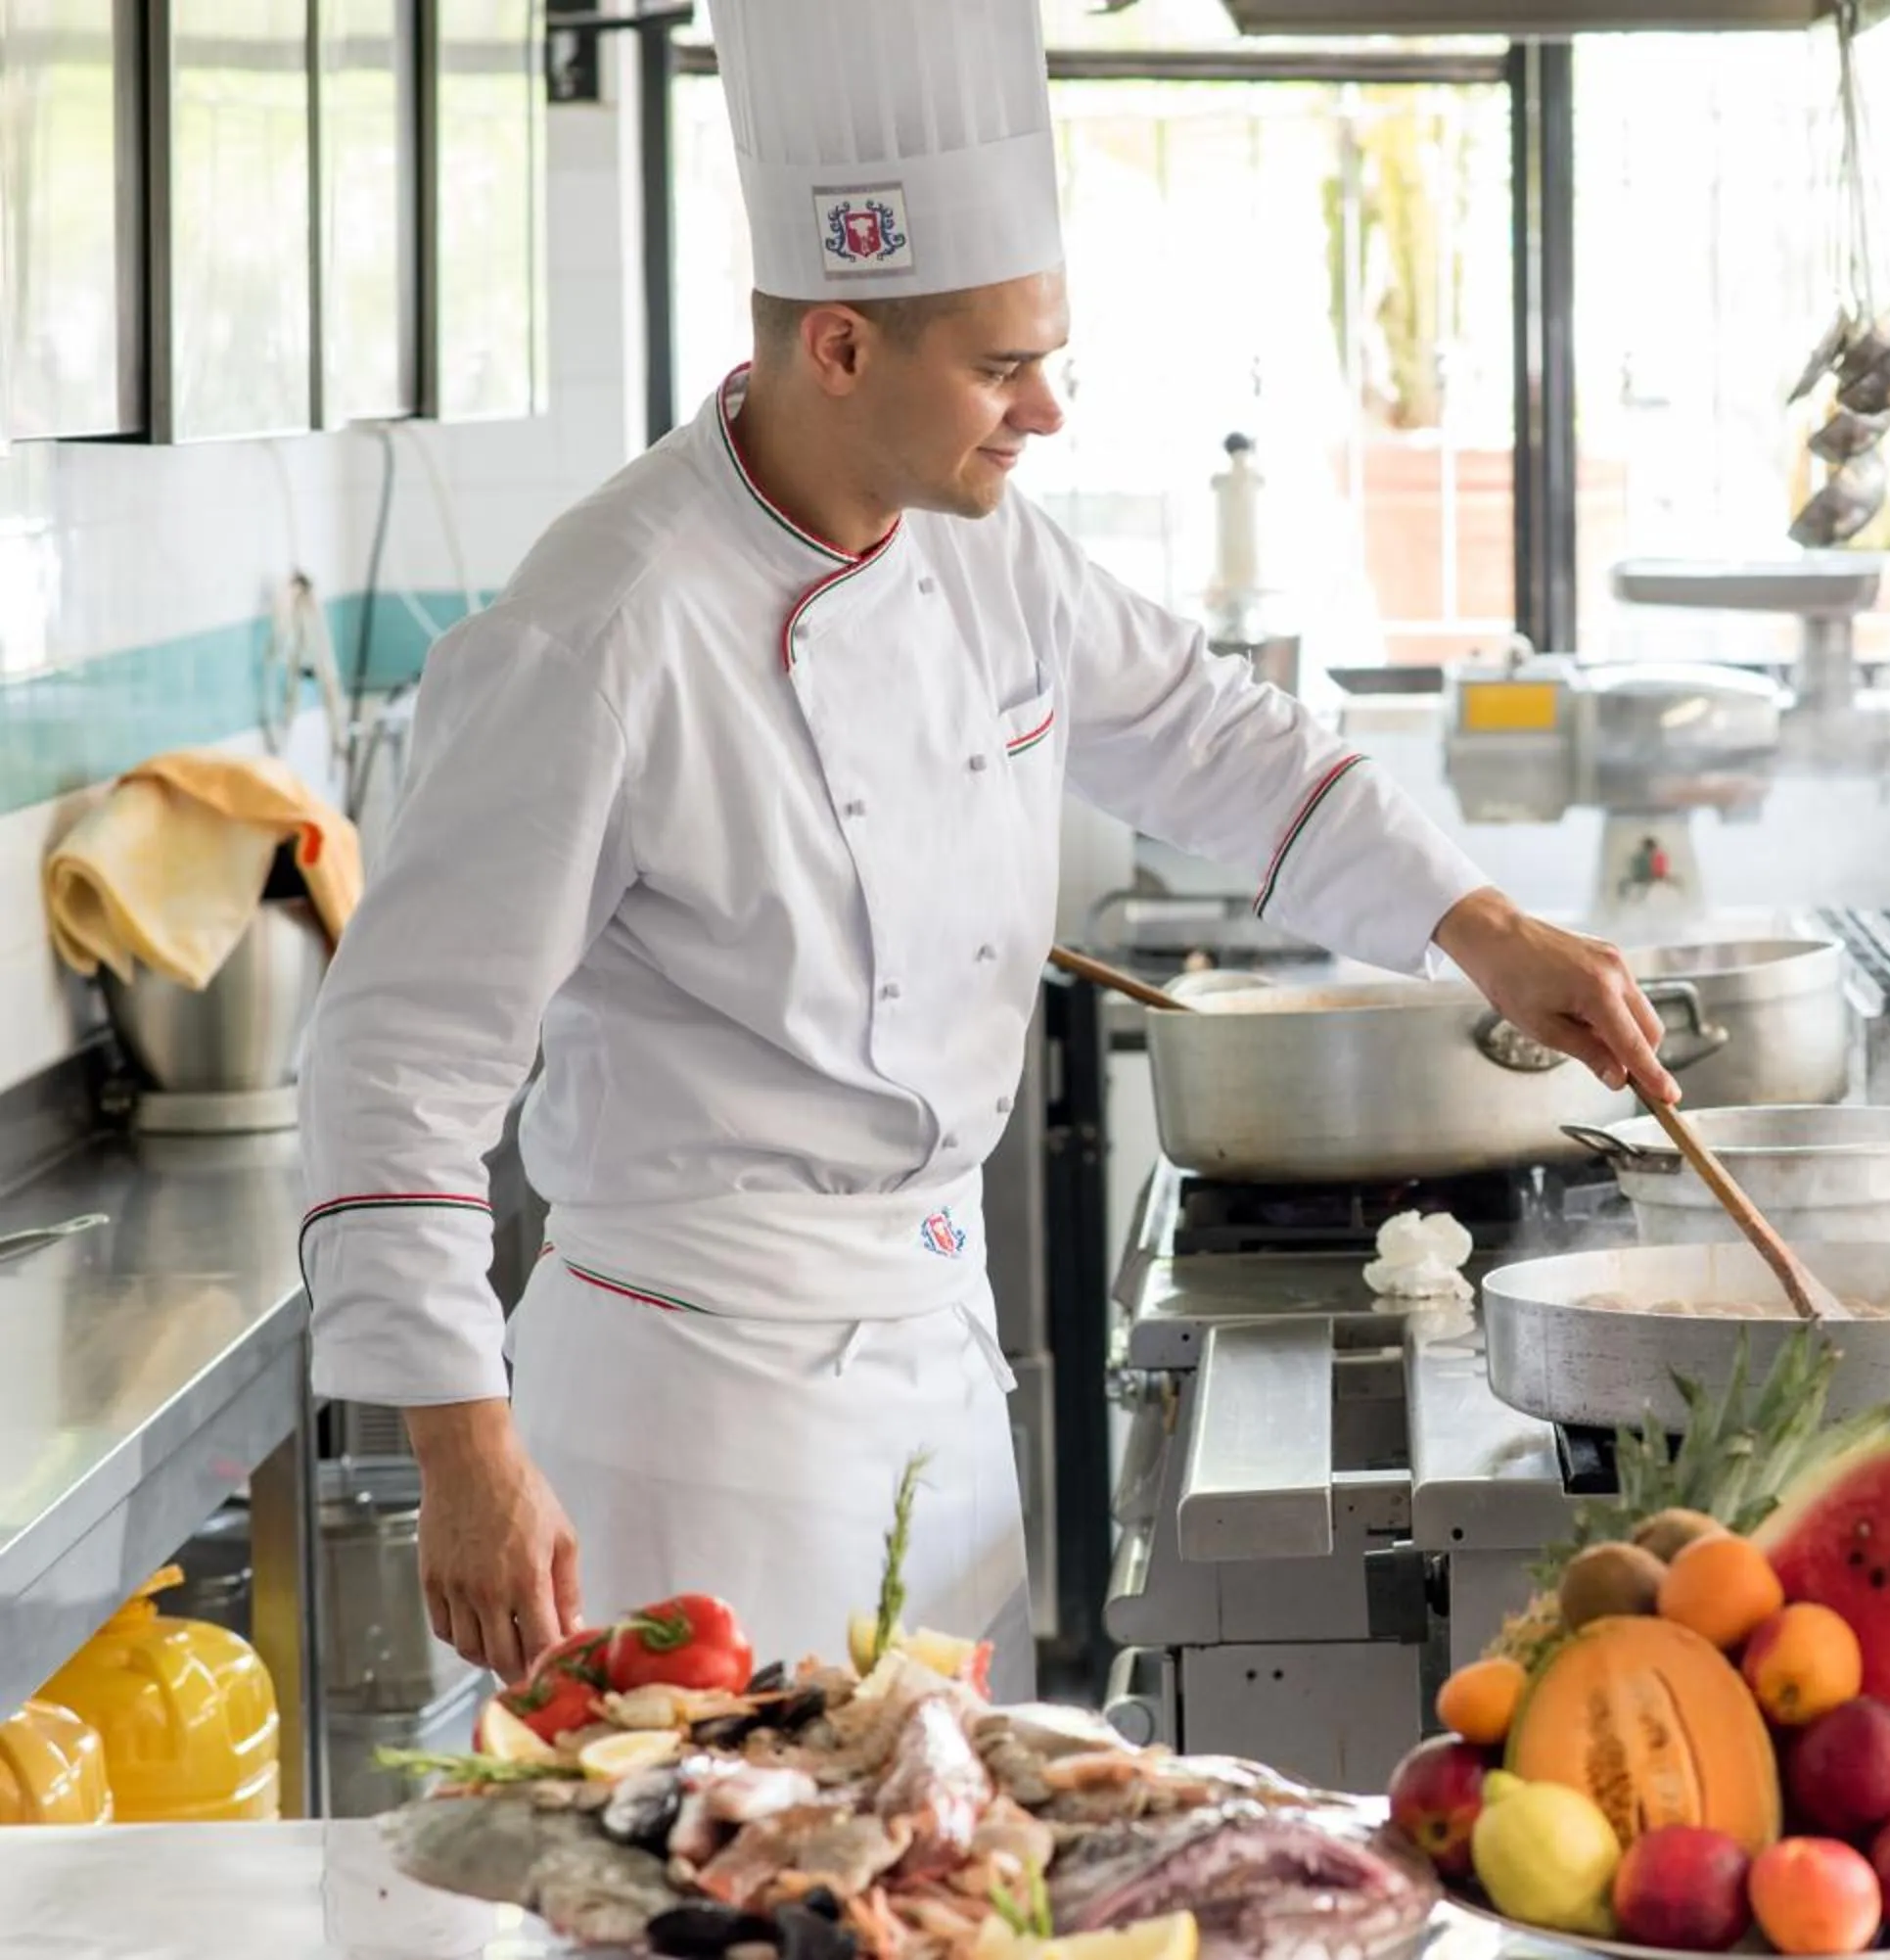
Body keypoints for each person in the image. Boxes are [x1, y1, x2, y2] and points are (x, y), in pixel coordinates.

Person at [299, 0, 1675, 1698]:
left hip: (938, 1386)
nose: (1046, 413)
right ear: (839, 349)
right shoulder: (601, 634)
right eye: (1002, 365)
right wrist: (461, 1451)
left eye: (1048, 356)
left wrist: (1483, 928)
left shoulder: (984, 549)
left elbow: (1217, 738)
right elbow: (396, 1064)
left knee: (948, 1892)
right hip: (687, 1418)